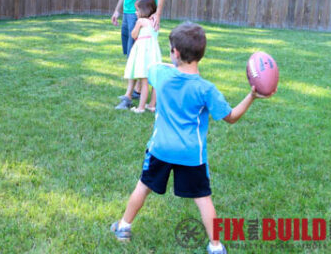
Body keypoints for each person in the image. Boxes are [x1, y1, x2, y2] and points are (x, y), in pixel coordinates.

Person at [110, 22, 275, 254]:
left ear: (175, 53)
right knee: (203, 199)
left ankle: (123, 226)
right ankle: (216, 246)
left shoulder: (161, 75)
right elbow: (231, 117)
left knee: (143, 187)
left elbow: (156, 66)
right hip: (191, 154)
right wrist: (252, 96)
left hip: (160, 149)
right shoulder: (206, 90)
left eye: (171, 49)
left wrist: (174, 61)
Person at [121, 0, 161, 113]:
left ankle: (141, 107)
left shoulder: (141, 21)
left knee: (144, 81)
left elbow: (133, 35)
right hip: (154, 53)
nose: (135, 12)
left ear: (145, 10)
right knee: (154, 81)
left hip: (143, 54)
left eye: (137, 10)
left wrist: (137, 26)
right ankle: (152, 105)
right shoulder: (155, 22)